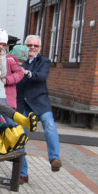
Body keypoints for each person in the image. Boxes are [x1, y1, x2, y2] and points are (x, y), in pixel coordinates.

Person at [17, 35, 63, 182]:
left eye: (35, 46)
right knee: (20, 137)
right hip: (23, 103)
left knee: (49, 125)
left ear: (40, 48)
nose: (32, 48)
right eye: (29, 45)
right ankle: (22, 173)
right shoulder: (18, 60)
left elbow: (42, 76)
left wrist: (27, 73)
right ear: (25, 46)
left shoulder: (44, 61)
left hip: (40, 101)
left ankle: (54, 159)